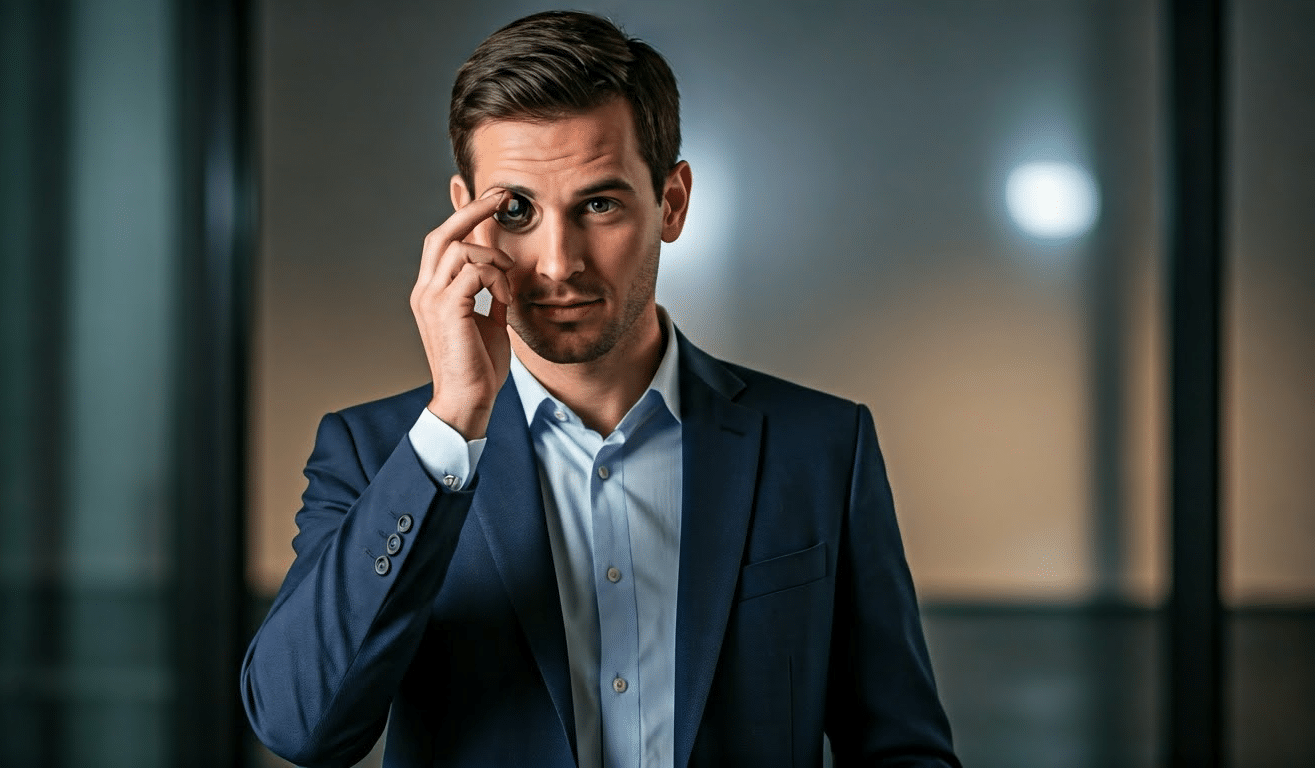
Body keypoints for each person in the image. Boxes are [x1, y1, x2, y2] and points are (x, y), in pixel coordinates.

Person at [242, 10, 959, 768]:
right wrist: (453, 426)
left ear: (672, 204)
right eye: (515, 211)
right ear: (465, 216)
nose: (557, 262)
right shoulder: (377, 456)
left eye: (600, 204)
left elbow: (900, 748)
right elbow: (300, 727)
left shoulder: (820, 448)